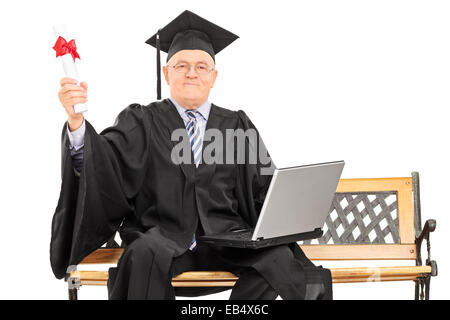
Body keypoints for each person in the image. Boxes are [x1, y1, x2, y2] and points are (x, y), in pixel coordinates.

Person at [50, 10, 332, 300]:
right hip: (163, 238)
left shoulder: (236, 125)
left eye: (201, 66)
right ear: (166, 73)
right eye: (181, 65)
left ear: (214, 77)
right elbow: (103, 167)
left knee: (278, 260)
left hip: (228, 241)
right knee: (142, 254)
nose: (191, 72)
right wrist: (77, 123)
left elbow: (264, 189)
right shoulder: (143, 121)